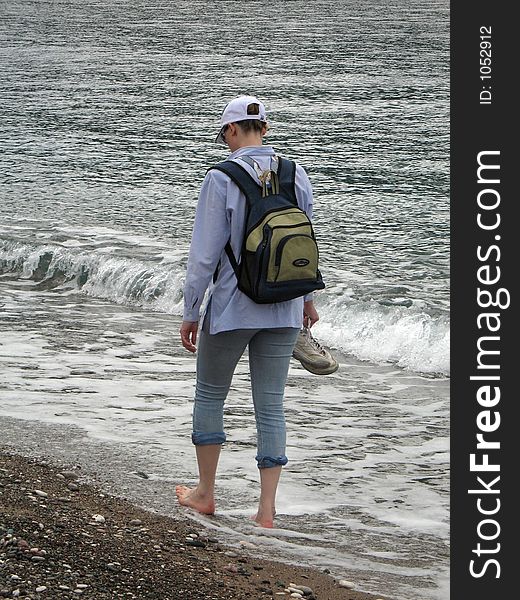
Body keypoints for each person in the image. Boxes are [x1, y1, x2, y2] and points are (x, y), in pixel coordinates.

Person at [176, 95, 320, 528]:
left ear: (233, 131)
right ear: (266, 130)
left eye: (225, 133)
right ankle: (267, 511)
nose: (225, 140)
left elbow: (204, 254)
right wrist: (308, 302)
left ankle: (205, 494)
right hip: (284, 308)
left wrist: (190, 310)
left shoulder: (220, 178)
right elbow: (306, 246)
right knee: (271, 407)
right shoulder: (297, 174)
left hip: (233, 309)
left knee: (210, 394)